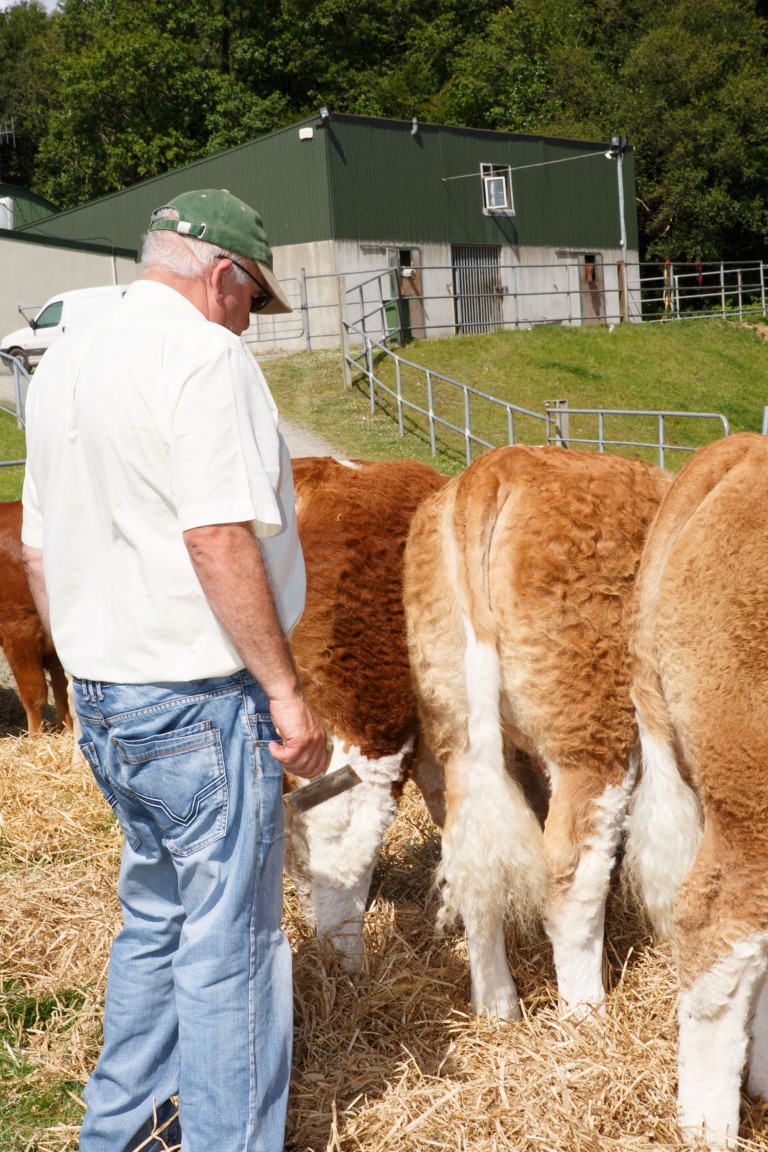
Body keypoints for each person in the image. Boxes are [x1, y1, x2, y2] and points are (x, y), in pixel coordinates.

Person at [21, 188, 328, 1152]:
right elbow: (215, 535)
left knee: (155, 919)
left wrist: (88, 672)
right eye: (254, 298)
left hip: (109, 694)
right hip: (198, 696)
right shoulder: (203, 355)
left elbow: (38, 548)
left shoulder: (65, 360)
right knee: (233, 947)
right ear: (224, 273)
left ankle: (116, 1136)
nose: (251, 321)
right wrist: (284, 691)